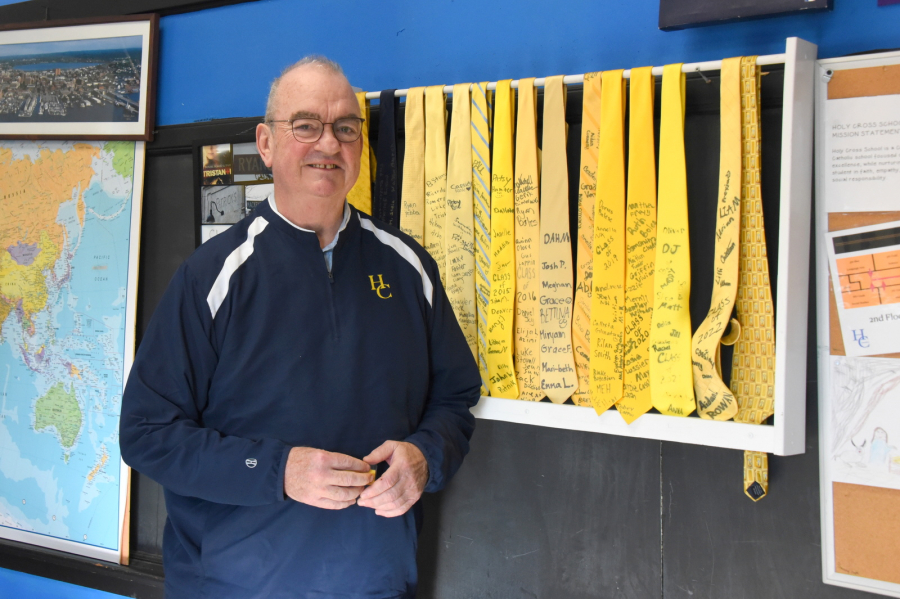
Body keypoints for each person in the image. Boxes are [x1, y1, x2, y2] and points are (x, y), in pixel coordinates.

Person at [119, 55, 480, 599]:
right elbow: (146, 434)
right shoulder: (212, 277)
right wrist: (277, 470)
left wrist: (426, 456)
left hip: (377, 584)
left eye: (346, 128)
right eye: (306, 125)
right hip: (233, 586)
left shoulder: (410, 269)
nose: (329, 144)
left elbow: (455, 398)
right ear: (266, 144)